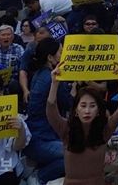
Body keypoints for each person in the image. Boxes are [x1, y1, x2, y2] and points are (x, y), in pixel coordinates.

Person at [46, 62, 118, 185]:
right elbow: (51, 112)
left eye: (92, 106)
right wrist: (54, 83)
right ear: (76, 110)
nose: (87, 111)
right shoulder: (67, 129)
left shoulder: (104, 129)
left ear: (99, 110)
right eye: (83, 106)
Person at [24, 38, 74, 183]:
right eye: (61, 51)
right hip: (41, 138)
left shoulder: (41, 72)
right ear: (50, 57)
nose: (64, 53)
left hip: (42, 134)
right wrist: (76, 87)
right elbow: (69, 103)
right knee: (74, 157)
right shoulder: (51, 78)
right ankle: (38, 177)